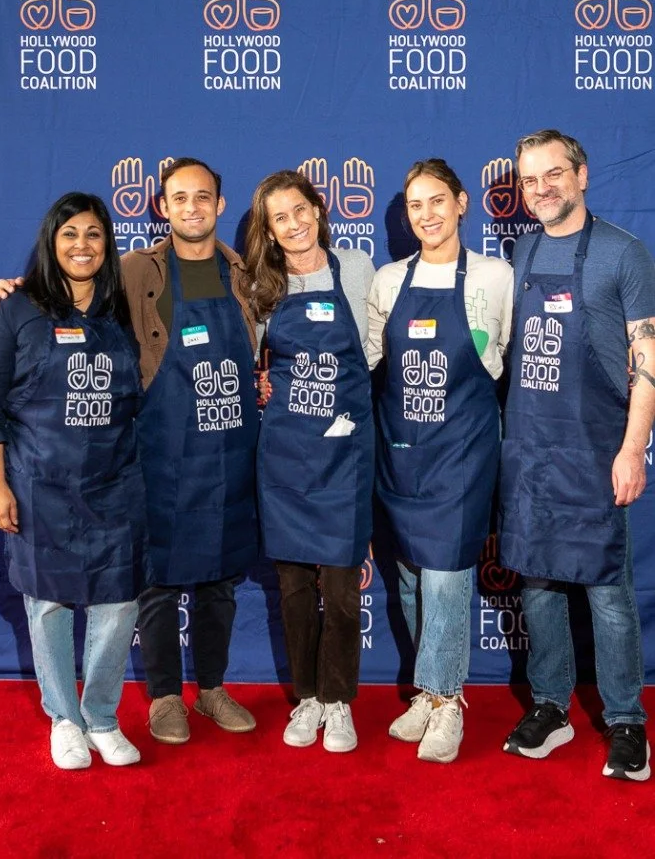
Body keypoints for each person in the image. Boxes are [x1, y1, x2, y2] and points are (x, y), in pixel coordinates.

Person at [0, 158, 260, 746]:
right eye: (179, 197)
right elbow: (66, 299)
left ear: (219, 203)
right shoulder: (135, 270)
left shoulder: (243, 272)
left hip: (230, 450)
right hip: (158, 451)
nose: (192, 207)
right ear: (162, 207)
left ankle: (211, 687)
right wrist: (12, 294)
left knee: (220, 581)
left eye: (203, 197)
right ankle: (165, 697)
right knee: (155, 578)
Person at [0, 193, 152, 770]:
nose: (82, 245)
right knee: (48, 605)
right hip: (39, 487)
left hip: (116, 483)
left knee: (119, 606)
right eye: (69, 233)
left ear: (107, 244)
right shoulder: (14, 310)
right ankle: (64, 720)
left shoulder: (119, 310)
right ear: (51, 241)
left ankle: (101, 715)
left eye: (94, 234)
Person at [498, 129, 655, 783]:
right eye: (530, 180)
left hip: (594, 450)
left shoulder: (623, 254)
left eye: (553, 174)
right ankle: (550, 706)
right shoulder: (524, 250)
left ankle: (624, 721)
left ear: (581, 174)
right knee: (536, 585)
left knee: (606, 593)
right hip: (531, 450)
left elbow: (646, 361)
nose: (542, 189)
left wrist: (631, 449)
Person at [368, 158, 513, 763]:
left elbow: (504, 362)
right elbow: (374, 363)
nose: (425, 215)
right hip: (401, 451)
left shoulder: (494, 276)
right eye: (414, 206)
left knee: (448, 574)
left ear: (460, 203)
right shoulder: (386, 280)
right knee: (408, 573)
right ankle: (427, 695)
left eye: (436, 201)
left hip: (462, 451)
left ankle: (449, 698)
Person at [246, 170, 375, 752]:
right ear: (269, 232)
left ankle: (339, 701)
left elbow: (374, 351)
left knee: (344, 592)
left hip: (345, 455)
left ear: (318, 210)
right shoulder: (260, 287)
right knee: (295, 589)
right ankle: (306, 698)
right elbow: (249, 359)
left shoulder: (356, 269)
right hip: (287, 456)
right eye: (280, 218)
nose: (294, 224)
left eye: (301, 210)